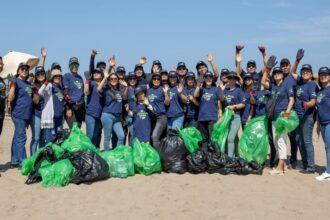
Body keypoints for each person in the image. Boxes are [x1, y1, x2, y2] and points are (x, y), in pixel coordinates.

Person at [262, 56, 295, 175]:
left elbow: (291, 99)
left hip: (282, 118)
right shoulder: (273, 86)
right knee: (276, 142)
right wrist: (267, 68)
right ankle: (284, 165)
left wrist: (287, 113)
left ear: (282, 74)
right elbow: (262, 82)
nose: (276, 74)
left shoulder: (286, 84)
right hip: (273, 118)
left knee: (281, 141)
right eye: (274, 73)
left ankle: (280, 169)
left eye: (278, 72)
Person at [290, 64, 318, 173]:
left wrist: (307, 104)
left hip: (307, 117)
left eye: (307, 72)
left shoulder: (312, 85)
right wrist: (297, 60)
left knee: (307, 141)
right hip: (298, 117)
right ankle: (305, 163)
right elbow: (292, 72)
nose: (305, 73)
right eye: (303, 71)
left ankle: (311, 166)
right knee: (299, 140)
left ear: (311, 74)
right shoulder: (300, 81)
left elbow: (313, 101)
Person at [8, 62, 33, 168]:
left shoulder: (28, 84)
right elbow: (10, 98)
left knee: (17, 137)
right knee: (22, 137)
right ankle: (23, 161)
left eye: (26, 69)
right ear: (18, 71)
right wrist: (13, 84)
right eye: (22, 69)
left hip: (26, 115)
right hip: (18, 114)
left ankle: (14, 161)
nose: (24, 71)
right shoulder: (16, 82)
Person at [98, 70, 127, 150]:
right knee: (107, 136)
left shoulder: (119, 90)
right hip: (107, 116)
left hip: (117, 118)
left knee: (121, 136)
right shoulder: (106, 89)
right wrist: (105, 77)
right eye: (111, 79)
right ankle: (107, 155)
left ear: (118, 80)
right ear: (109, 80)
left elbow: (125, 98)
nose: (113, 80)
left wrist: (126, 86)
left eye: (115, 79)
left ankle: (117, 153)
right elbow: (98, 89)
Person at [38, 65, 65, 144]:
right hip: (50, 118)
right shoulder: (50, 86)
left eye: (59, 76)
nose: (58, 77)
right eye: (55, 76)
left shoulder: (60, 87)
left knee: (59, 141)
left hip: (59, 118)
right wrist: (46, 81)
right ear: (52, 77)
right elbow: (40, 92)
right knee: (50, 141)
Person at [221, 71, 245, 157]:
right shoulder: (226, 90)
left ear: (236, 80)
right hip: (226, 117)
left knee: (231, 138)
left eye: (233, 78)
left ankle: (230, 158)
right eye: (230, 78)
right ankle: (233, 156)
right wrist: (222, 90)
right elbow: (221, 100)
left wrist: (233, 107)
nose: (231, 80)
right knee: (228, 138)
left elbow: (243, 104)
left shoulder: (239, 90)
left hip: (235, 117)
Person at [194, 71, 221, 141]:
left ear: (212, 79)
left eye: (210, 78)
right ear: (204, 79)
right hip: (202, 118)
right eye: (206, 78)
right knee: (204, 139)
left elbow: (220, 101)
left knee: (212, 138)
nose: (208, 80)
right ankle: (205, 151)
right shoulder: (201, 89)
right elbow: (195, 95)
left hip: (212, 117)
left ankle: (214, 152)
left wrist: (219, 113)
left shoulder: (216, 89)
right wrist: (198, 87)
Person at [147, 73, 169, 151]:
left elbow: (167, 103)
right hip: (151, 117)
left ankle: (159, 157)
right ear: (152, 80)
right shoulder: (148, 90)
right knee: (150, 137)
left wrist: (166, 93)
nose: (156, 80)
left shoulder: (162, 89)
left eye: (158, 79)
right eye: (154, 79)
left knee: (155, 137)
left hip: (161, 117)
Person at [315, 67, 330, 181]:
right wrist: (318, 125)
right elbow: (320, 108)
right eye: (321, 74)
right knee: (327, 147)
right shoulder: (320, 91)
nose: (323, 76)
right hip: (323, 123)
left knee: (329, 147)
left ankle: (328, 172)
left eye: (326, 74)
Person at [63, 57, 85, 129]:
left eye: (76, 64)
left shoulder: (80, 78)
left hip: (80, 108)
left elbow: (82, 93)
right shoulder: (66, 76)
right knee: (74, 129)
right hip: (71, 107)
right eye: (72, 64)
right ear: (69, 66)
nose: (74, 66)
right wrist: (68, 108)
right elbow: (65, 92)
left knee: (77, 130)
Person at [84, 68, 104, 148]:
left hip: (99, 115)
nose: (95, 73)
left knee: (95, 136)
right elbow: (86, 92)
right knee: (90, 135)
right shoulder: (91, 83)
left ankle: (93, 154)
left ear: (102, 75)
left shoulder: (104, 84)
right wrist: (87, 80)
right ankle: (87, 153)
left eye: (98, 72)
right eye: (94, 72)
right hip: (90, 114)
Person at [30, 66, 47, 154]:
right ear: (36, 76)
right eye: (38, 74)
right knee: (36, 138)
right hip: (36, 114)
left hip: (46, 116)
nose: (40, 75)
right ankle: (33, 160)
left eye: (42, 73)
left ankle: (41, 159)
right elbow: (35, 101)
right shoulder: (33, 85)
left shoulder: (49, 85)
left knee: (42, 138)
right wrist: (36, 92)